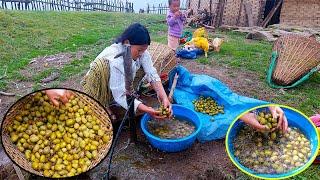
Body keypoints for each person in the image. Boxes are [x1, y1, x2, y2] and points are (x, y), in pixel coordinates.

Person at [45, 23, 172, 122]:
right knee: (103, 74)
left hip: (119, 81)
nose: (141, 54)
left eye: (144, 50)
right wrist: (146, 109)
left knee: (140, 70)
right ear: (127, 43)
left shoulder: (141, 53)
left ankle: (112, 102)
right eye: (139, 50)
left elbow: (152, 74)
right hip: (100, 82)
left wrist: (164, 98)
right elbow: (121, 94)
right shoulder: (116, 59)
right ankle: (103, 102)